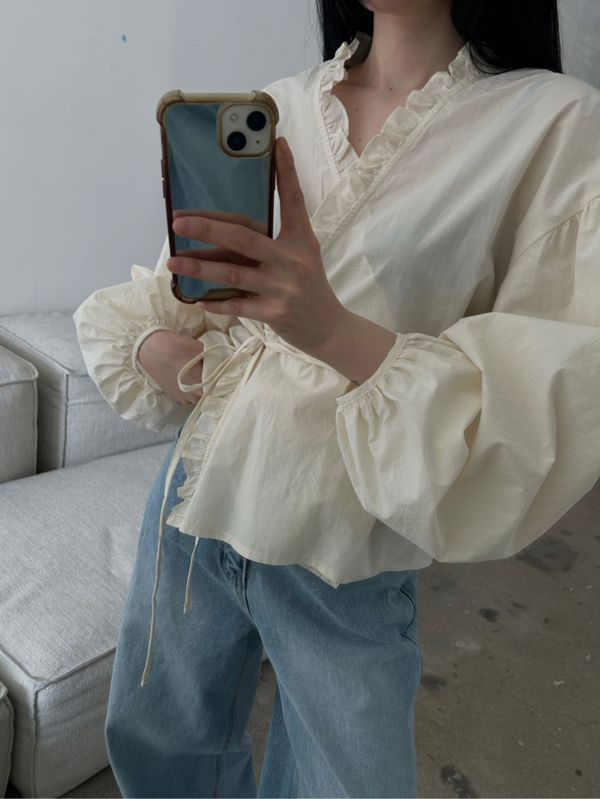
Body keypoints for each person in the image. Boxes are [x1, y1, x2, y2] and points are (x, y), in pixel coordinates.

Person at [72, 0, 600, 796]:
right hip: (192, 503)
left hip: (345, 549)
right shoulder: (281, 105)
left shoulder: (549, 123)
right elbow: (174, 298)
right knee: (161, 753)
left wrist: (326, 327)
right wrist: (169, 357)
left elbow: (545, 390)